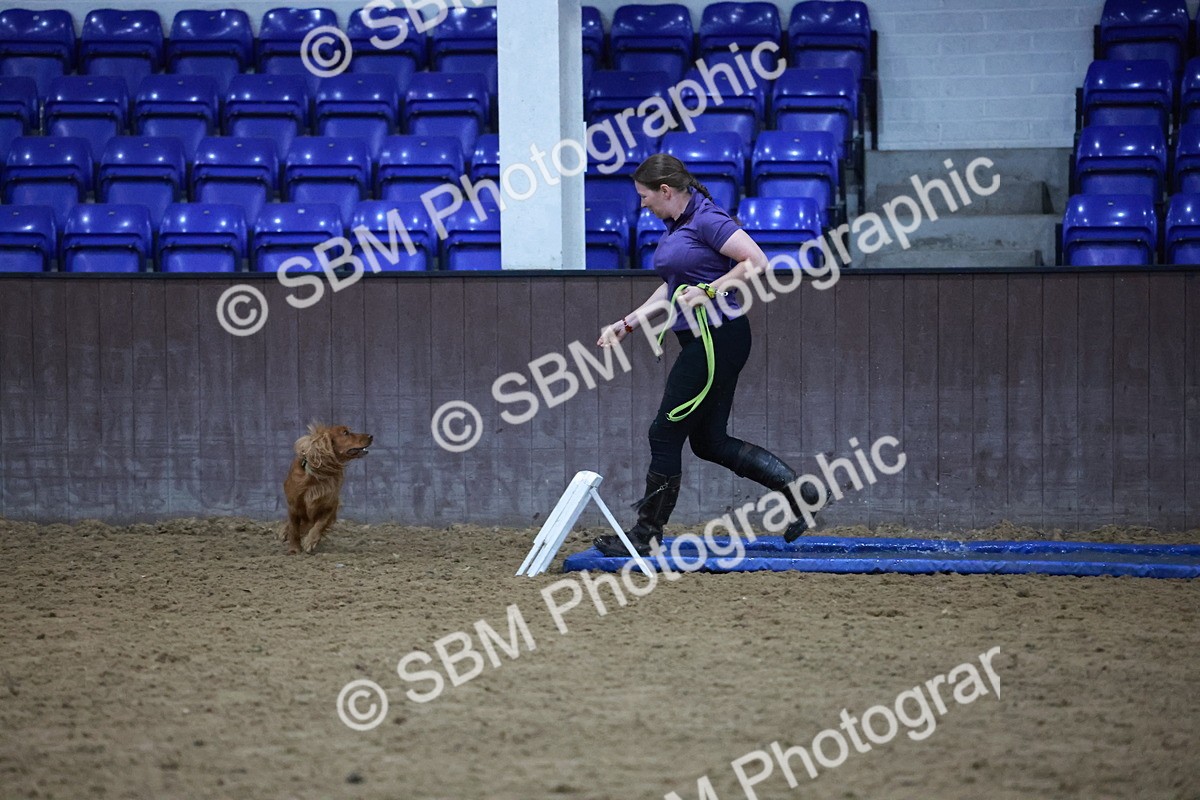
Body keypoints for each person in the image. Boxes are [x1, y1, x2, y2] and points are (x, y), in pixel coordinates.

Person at [593, 153, 822, 557]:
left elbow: (757, 261)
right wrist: (626, 324)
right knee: (708, 442)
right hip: (705, 338)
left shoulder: (707, 218)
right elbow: (673, 287)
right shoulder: (677, 225)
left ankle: (646, 534)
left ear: (665, 191)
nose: (641, 204)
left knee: (663, 432)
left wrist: (713, 290)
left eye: (644, 195)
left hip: (717, 337)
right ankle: (800, 492)